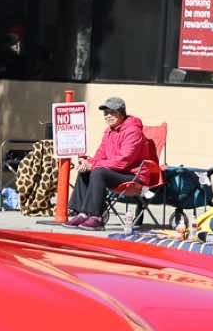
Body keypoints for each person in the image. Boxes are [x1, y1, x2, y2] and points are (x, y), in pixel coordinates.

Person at [63, 97, 151, 231]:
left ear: (121, 113)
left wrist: (94, 165)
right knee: (86, 171)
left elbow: (123, 161)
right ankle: (81, 213)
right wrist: (87, 163)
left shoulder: (133, 131)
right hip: (116, 172)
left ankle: (96, 218)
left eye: (112, 112)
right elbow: (100, 155)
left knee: (99, 172)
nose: (108, 115)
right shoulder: (108, 131)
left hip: (134, 176)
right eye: (105, 113)